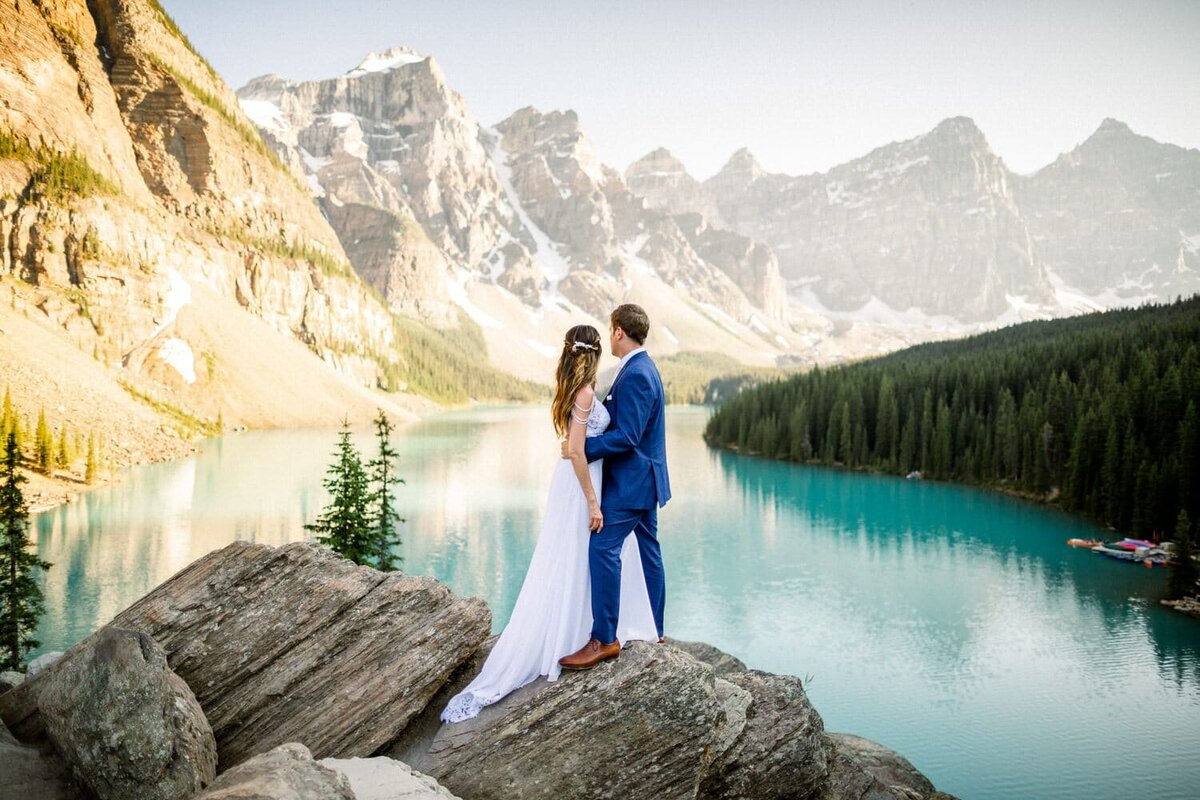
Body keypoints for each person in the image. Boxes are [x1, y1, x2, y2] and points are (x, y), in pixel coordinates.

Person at [440, 323, 658, 723]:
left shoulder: (577, 389)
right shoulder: (587, 392)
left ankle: (583, 630)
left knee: (577, 556)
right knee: (577, 554)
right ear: (592, 354)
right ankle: (576, 634)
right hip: (582, 486)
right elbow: (576, 452)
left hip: (580, 481)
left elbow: (575, 447)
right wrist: (593, 502)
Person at [559, 303, 671, 670]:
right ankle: (656, 629)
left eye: (611, 330)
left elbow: (629, 436)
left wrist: (582, 449)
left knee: (603, 549)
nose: (610, 336)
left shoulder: (637, 373)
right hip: (645, 481)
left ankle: (604, 639)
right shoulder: (642, 367)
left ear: (619, 331)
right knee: (649, 552)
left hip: (632, 484)